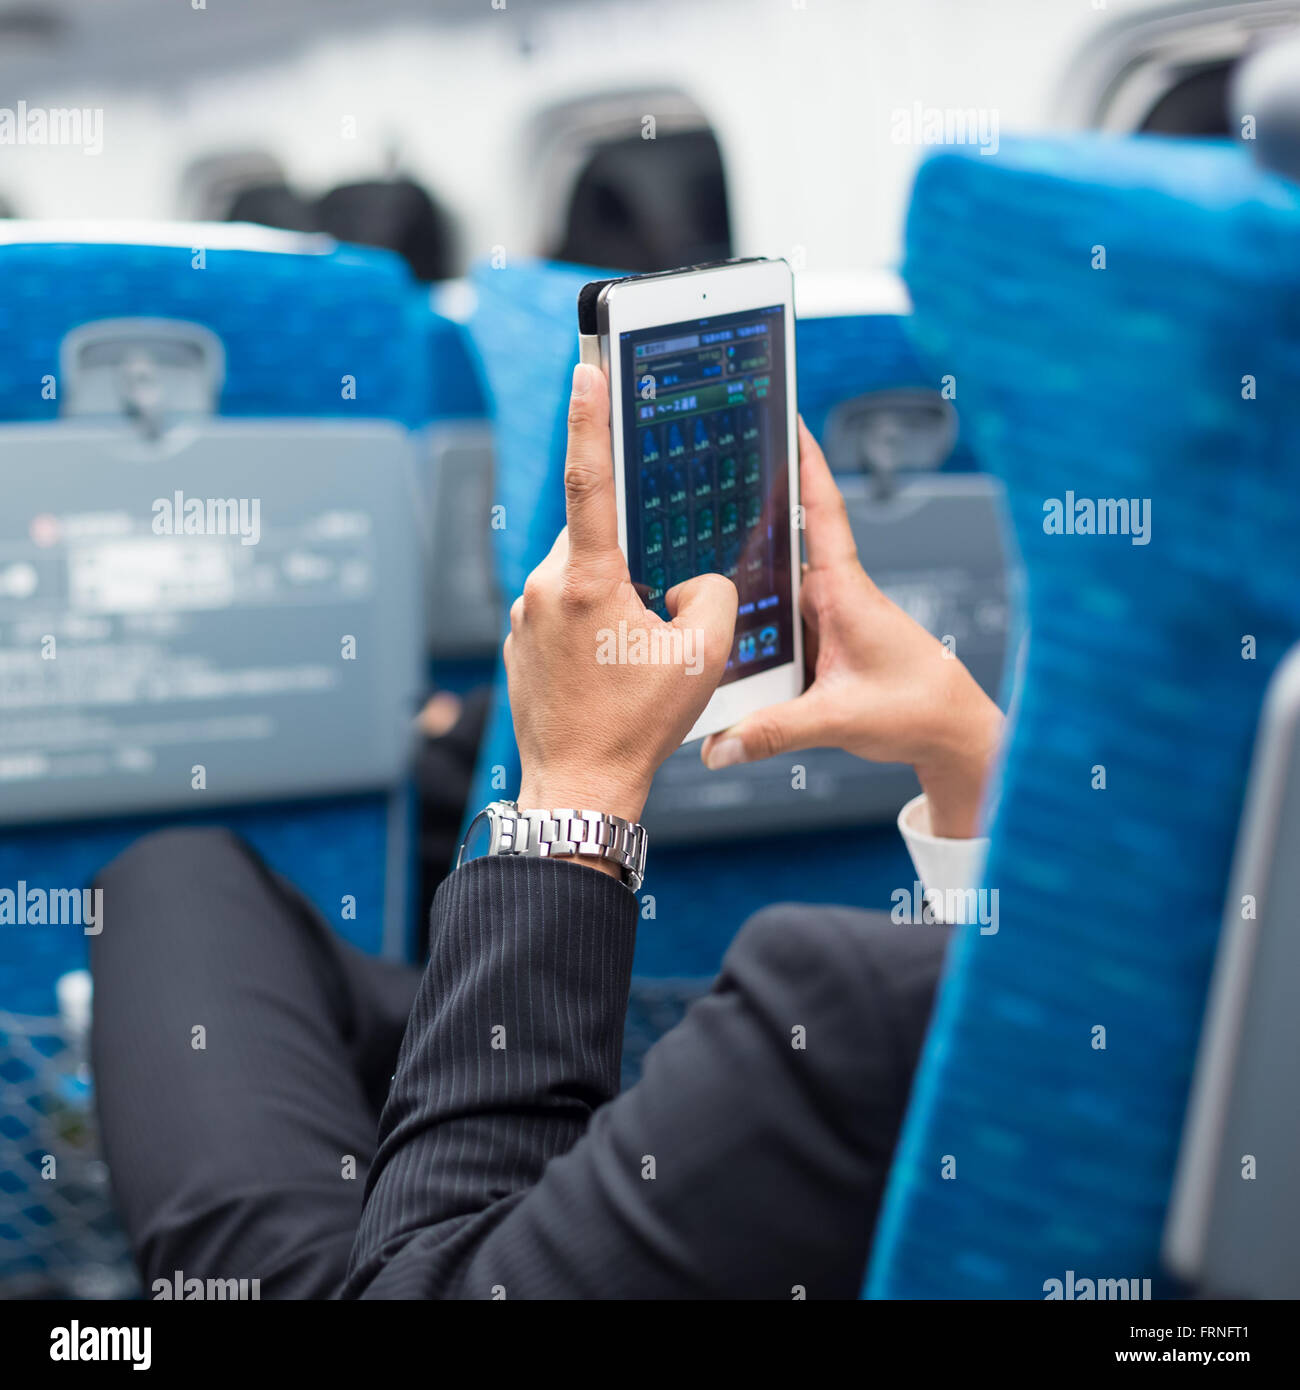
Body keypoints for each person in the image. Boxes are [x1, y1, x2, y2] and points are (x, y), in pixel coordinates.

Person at [90, 363, 1004, 1299]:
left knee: (171, 882)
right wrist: (971, 762)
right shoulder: (1136, 1021)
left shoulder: (838, 1005)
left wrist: (577, 794)